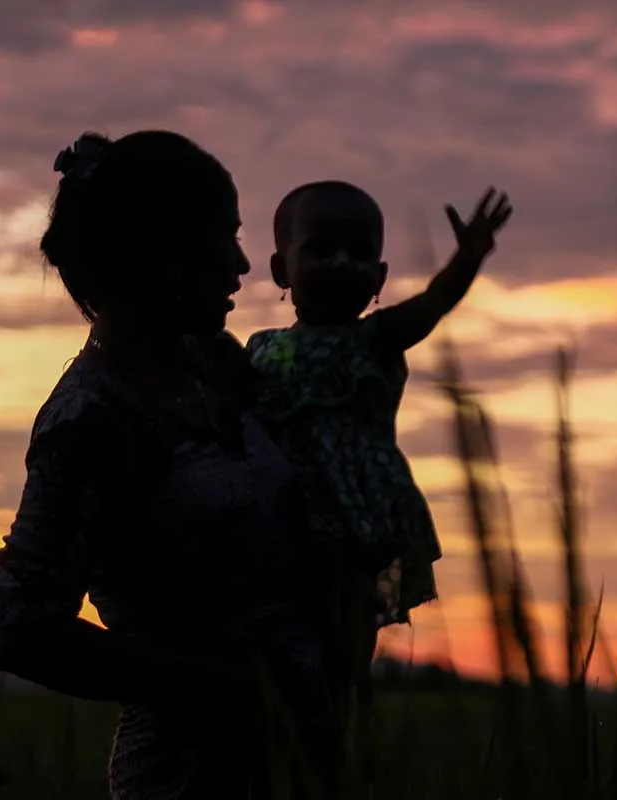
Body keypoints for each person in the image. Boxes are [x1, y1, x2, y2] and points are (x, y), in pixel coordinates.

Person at [0, 130, 338, 800]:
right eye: (222, 238)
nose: (241, 265)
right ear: (165, 252)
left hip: (297, 759)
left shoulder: (221, 368)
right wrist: (221, 683)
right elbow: (20, 629)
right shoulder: (89, 418)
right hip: (189, 776)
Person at [245, 180, 512, 763]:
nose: (343, 263)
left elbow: (433, 305)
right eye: (322, 249)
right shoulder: (259, 350)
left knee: (341, 646)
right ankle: (286, 735)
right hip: (280, 524)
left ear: (380, 278)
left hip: (352, 525)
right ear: (279, 270)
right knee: (279, 642)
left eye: (360, 253)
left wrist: (466, 260)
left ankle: (337, 739)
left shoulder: (376, 340)